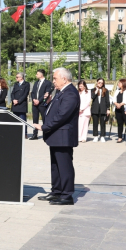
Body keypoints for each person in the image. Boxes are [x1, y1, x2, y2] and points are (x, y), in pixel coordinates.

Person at [33, 68, 79, 205]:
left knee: (64, 166)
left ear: (64, 79)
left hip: (63, 136)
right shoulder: (61, 92)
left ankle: (66, 195)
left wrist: (44, 127)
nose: (53, 81)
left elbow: (62, 116)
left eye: (55, 78)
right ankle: (57, 191)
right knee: (56, 166)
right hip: (56, 135)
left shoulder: (70, 93)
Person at [29, 69, 53, 140]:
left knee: (44, 119)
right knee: (35, 119)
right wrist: (34, 99)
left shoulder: (48, 83)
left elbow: (47, 93)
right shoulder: (36, 83)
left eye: (37, 74)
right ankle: (35, 134)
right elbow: (33, 92)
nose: (36, 75)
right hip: (35, 104)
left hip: (42, 104)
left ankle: (45, 134)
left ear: (41, 74)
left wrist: (39, 100)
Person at [90, 78, 110, 143]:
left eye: (102, 83)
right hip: (95, 108)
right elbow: (92, 97)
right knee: (95, 123)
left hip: (103, 109)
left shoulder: (106, 90)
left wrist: (108, 109)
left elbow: (107, 100)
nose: (100, 84)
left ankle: (102, 136)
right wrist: (96, 91)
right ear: (97, 82)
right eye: (99, 82)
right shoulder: (93, 90)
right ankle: (95, 136)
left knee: (103, 123)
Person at [112, 79, 126, 143]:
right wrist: (116, 104)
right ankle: (120, 137)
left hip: (125, 109)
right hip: (117, 109)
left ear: (124, 84)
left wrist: (120, 104)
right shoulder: (117, 91)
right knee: (119, 123)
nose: (118, 84)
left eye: (119, 83)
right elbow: (114, 99)